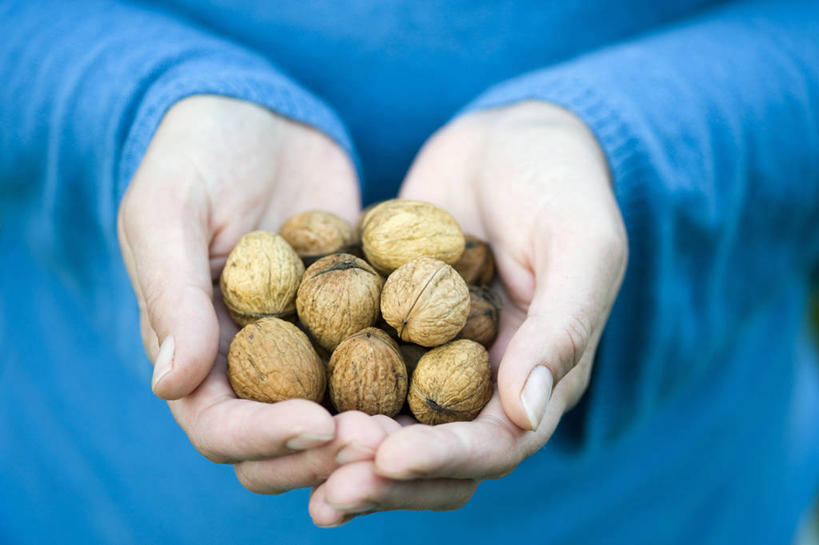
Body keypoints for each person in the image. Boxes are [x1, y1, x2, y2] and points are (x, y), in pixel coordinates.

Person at [1, 0, 817, 543]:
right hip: (83, 483)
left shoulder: (415, 299)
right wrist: (143, 105)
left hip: (666, 495)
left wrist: (612, 142)